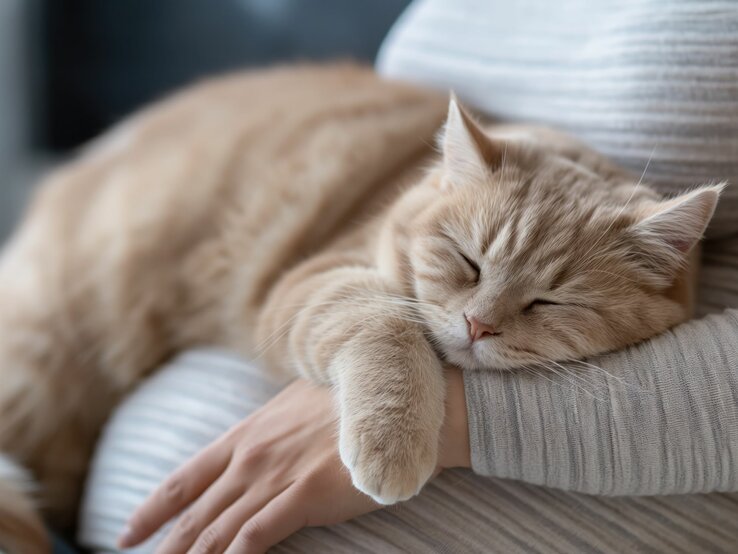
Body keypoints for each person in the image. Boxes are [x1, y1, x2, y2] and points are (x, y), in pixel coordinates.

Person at [80, 0, 738, 552]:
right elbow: (312, 283)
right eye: (467, 269)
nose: (480, 319)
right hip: (128, 273)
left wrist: (458, 416)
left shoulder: (645, 252)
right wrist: (380, 339)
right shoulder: (450, 193)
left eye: (546, 303)